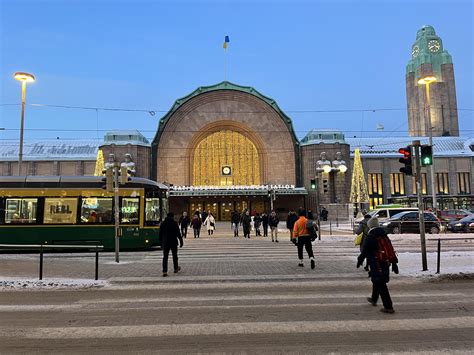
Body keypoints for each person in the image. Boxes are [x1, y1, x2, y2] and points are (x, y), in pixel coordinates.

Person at [357, 217, 398, 314]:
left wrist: (360, 260)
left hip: (376, 263)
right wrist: (394, 263)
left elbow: (365, 250)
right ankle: (374, 298)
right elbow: (390, 249)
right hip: (385, 262)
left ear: (370, 226)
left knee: (380, 283)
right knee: (377, 280)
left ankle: (388, 306)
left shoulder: (371, 236)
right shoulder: (384, 235)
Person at [159, 212, 183, 277]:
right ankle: (175, 268)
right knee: (175, 256)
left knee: (165, 257)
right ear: (172, 217)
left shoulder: (163, 223)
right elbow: (178, 233)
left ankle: (164, 271)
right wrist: (181, 241)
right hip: (173, 242)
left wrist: (161, 243)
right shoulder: (174, 223)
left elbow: (160, 234)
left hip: (165, 242)